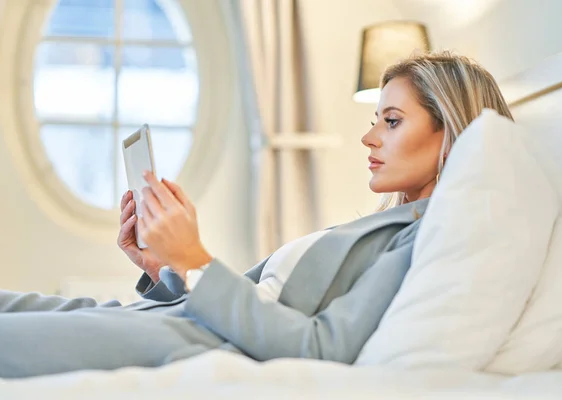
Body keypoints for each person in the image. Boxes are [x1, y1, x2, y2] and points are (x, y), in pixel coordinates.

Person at [0, 51, 513, 378]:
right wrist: (166, 268)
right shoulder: (380, 228)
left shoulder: (432, 238)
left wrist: (196, 261)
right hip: (179, 314)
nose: (369, 136)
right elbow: (257, 303)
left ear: (451, 131)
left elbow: (321, 346)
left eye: (392, 121)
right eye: (375, 119)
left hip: (195, 338)